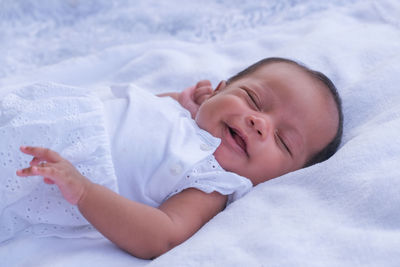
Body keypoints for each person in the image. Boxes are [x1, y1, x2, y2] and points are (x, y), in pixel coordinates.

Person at [5, 57, 342, 259]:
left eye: (282, 140)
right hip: (32, 113)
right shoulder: (186, 115)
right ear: (219, 89)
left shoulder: (211, 183)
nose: (259, 122)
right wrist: (195, 103)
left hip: (40, 178)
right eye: (252, 99)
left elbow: (161, 236)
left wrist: (84, 191)